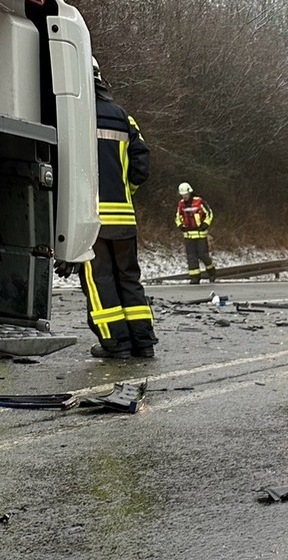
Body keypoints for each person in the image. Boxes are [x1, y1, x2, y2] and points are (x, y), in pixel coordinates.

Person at [84, 57, 156, 359]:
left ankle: (116, 344)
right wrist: (127, 192)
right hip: (124, 216)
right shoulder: (123, 117)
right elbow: (141, 165)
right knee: (128, 277)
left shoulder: (75, 115)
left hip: (90, 217)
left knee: (99, 278)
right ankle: (143, 342)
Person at [176, 182, 216, 283]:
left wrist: (205, 224)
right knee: (191, 257)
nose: (184, 197)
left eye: (185, 194)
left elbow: (209, 213)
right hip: (188, 235)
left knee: (203, 255)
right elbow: (177, 217)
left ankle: (211, 271)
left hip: (200, 234)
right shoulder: (181, 204)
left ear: (190, 193)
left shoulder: (199, 202)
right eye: (182, 195)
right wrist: (180, 226)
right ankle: (195, 277)